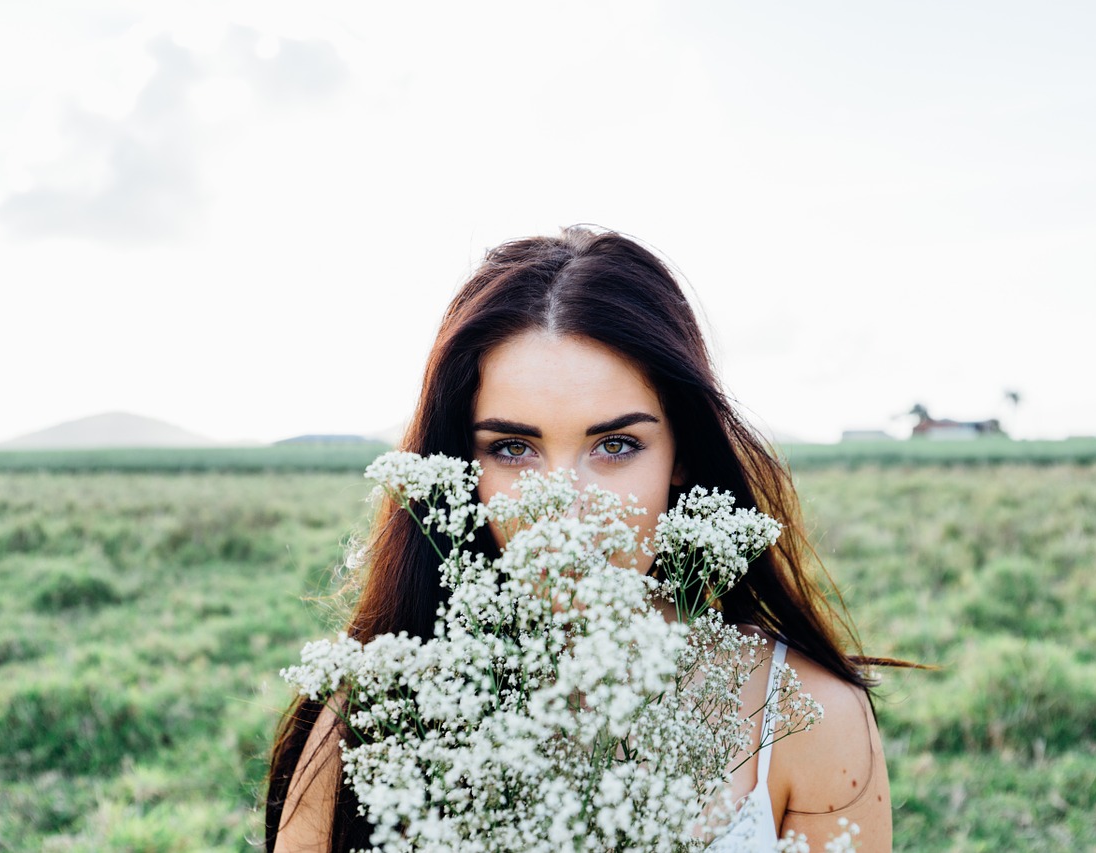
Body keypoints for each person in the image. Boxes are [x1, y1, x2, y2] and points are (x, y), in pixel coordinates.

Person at [265, 226, 894, 852]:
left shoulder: (807, 714)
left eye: (616, 445)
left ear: (681, 458)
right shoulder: (375, 713)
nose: (564, 508)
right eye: (513, 448)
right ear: (459, 466)